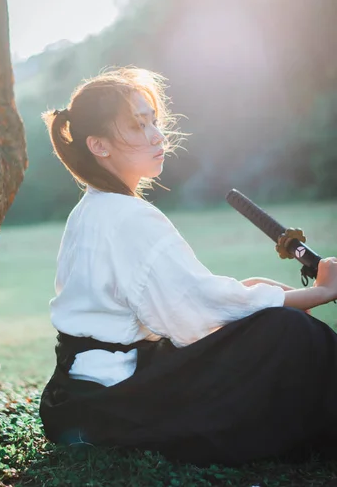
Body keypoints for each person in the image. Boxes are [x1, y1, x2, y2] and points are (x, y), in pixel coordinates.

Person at [39, 67, 337, 466]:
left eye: (153, 121)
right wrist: (317, 293)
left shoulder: (92, 208)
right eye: (136, 125)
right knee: (290, 333)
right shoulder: (127, 216)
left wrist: (255, 293)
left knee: (273, 321)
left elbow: (183, 299)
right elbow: (194, 317)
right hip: (111, 403)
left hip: (77, 397)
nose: (157, 135)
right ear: (99, 145)